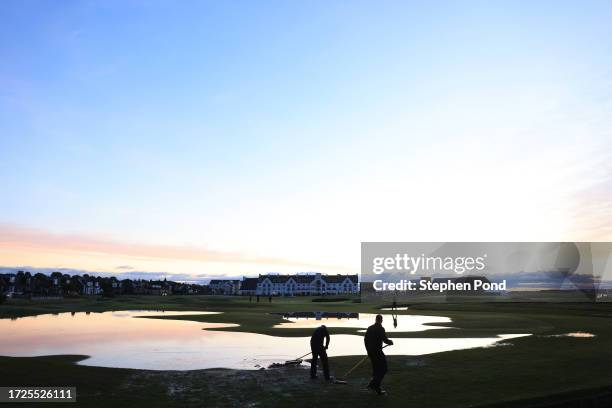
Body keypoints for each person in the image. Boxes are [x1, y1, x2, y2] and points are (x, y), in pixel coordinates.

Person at [364, 314, 393, 395]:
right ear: (381, 320)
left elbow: (365, 340)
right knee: (383, 369)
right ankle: (375, 386)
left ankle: (373, 386)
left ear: (375, 319)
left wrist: (368, 351)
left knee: (376, 370)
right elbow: (385, 340)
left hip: (371, 353)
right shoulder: (380, 328)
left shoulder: (370, 328)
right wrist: (390, 342)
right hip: (378, 352)